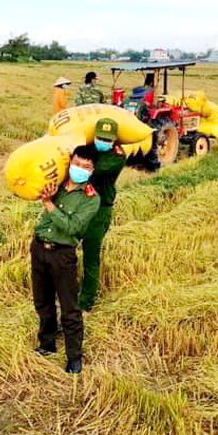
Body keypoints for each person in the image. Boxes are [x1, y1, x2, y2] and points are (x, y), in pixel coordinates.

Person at [32, 146, 100, 374]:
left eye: (86, 167)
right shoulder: (57, 183)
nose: (79, 169)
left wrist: (49, 204)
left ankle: (74, 357)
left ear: (92, 170)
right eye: (77, 164)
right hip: (39, 248)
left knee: (69, 307)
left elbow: (73, 227)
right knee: (43, 302)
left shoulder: (91, 199)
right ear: (70, 161)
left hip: (63, 255)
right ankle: (47, 343)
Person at [79, 118, 126, 312]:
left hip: (100, 209)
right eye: (99, 137)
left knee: (90, 254)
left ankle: (86, 301)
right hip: (80, 204)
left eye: (106, 139)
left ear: (114, 139)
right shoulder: (87, 147)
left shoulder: (117, 156)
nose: (102, 141)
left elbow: (94, 170)